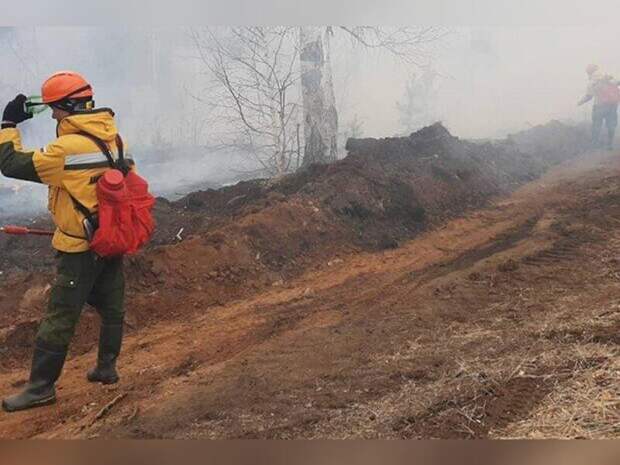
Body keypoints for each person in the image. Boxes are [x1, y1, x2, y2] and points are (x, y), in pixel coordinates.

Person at [0, 71, 134, 412]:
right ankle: (106, 368)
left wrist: (8, 124)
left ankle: (41, 388)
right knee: (112, 303)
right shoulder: (115, 138)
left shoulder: (66, 149)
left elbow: (10, 164)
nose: (54, 116)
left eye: (55, 110)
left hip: (79, 247)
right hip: (110, 236)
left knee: (60, 314)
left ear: (69, 107)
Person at [578, 64, 620, 150]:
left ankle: (594, 145)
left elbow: (589, 96)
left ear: (589, 72)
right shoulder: (607, 76)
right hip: (612, 104)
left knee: (596, 125)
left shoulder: (592, 81)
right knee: (611, 124)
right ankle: (609, 144)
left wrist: (580, 103)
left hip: (599, 106)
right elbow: (617, 82)